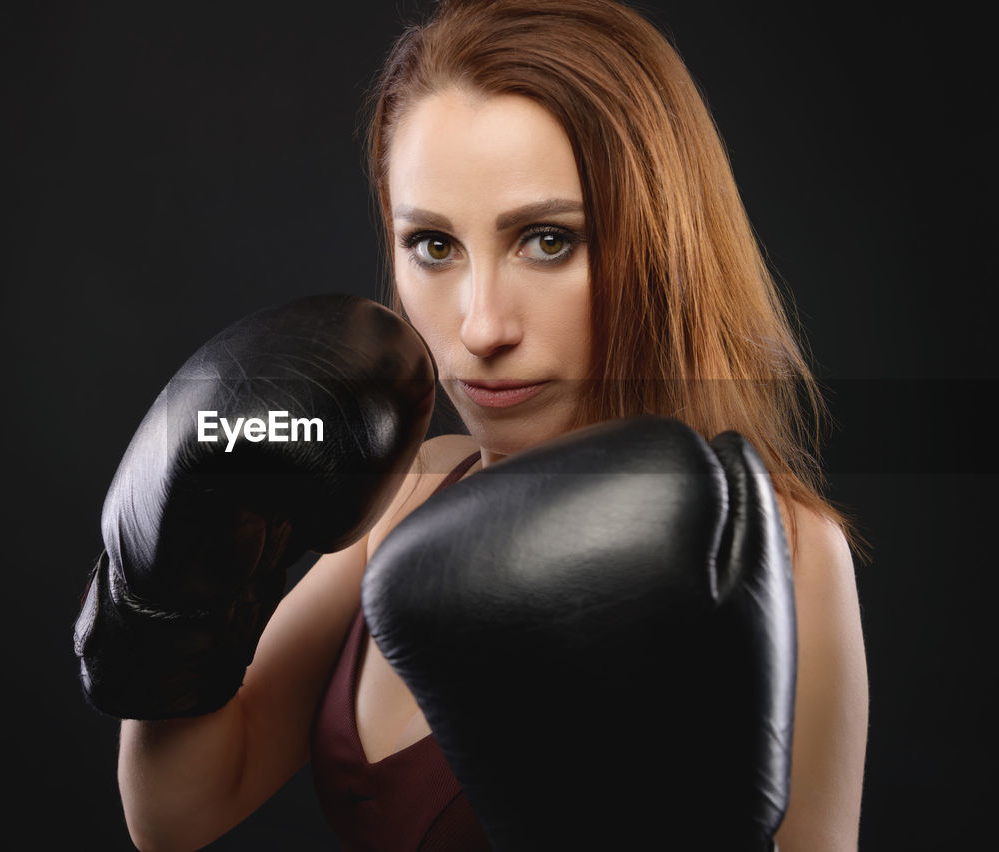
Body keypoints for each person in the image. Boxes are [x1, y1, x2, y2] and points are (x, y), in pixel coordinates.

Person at [77, 1, 869, 849]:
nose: (483, 326)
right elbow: (178, 812)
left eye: (547, 240)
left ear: (659, 244)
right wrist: (173, 600)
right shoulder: (415, 489)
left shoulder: (781, 550)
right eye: (434, 246)